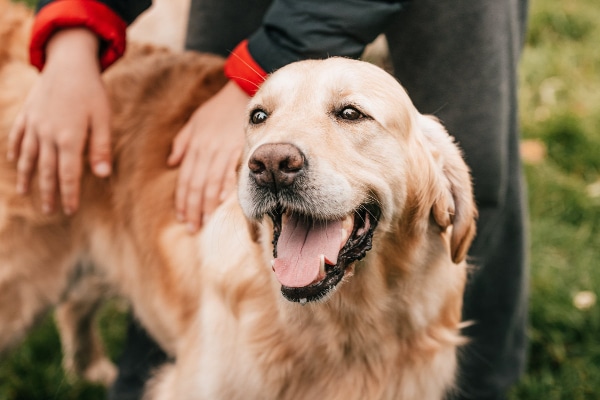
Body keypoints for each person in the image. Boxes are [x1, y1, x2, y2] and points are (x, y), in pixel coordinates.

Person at [8, 1, 529, 399]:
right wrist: (75, 28)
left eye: (350, 114)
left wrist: (247, 83)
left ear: (444, 181)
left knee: (485, 149)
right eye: (262, 120)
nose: (274, 154)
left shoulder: (441, 171)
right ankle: (169, 355)